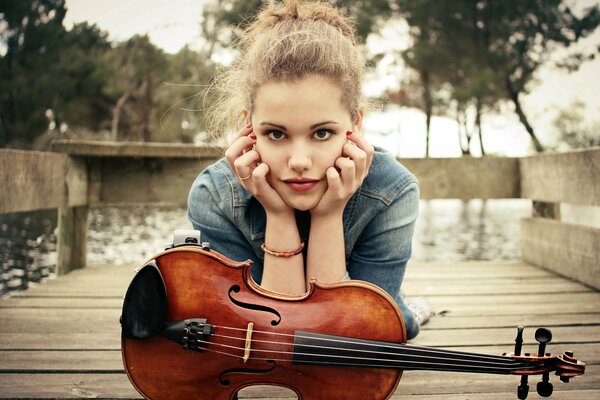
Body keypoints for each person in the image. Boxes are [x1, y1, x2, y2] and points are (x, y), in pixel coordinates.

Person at [187, 0, 424, 339]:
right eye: (276, 133)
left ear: (355, 123)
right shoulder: (215, 196)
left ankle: (411, 309)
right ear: (249, 127)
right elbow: (265, 336)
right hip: (276, 314)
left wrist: (329, 215)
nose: (299, 161)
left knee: (397, 323)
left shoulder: (392, 191)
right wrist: (278, 214)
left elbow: (346, 338)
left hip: (363, 299)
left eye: (322, 133)